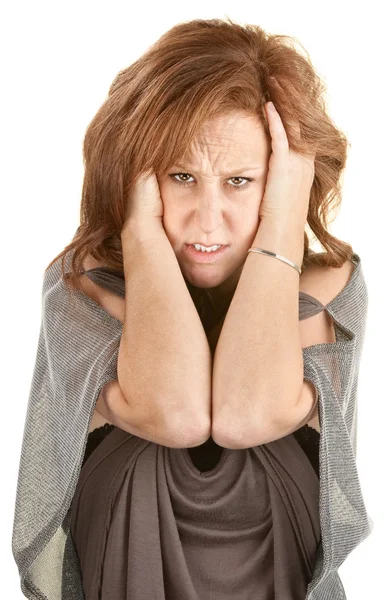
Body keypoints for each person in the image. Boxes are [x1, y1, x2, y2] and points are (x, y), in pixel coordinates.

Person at [12, 17, 373, 600]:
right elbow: (176, 414)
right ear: (137, 178)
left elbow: (242, 416)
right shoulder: (84, 287)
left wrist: (283, 219)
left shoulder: (330, 284)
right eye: (182, 176)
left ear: (285, 177)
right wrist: (143, 235)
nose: (209, 221)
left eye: (239, 180)